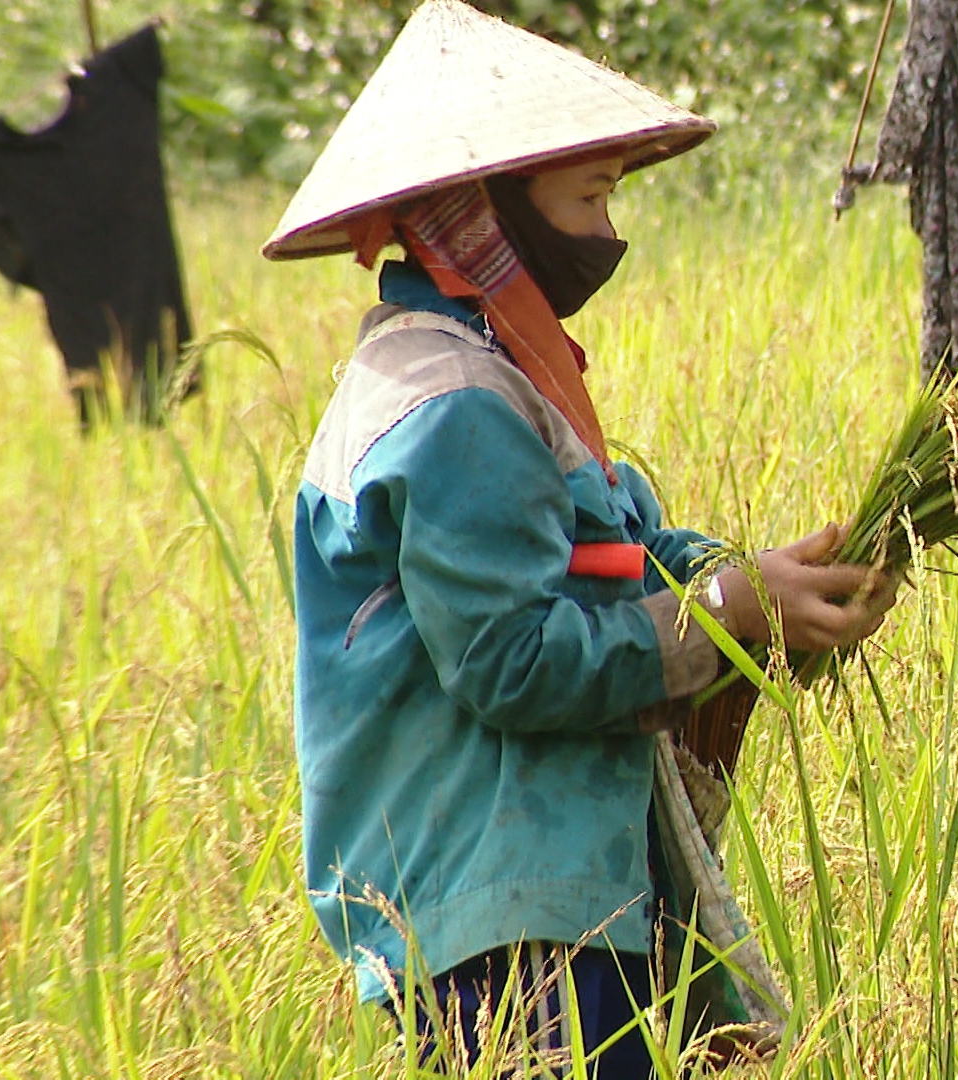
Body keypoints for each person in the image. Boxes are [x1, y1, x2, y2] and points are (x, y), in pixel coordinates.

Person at [261, 1, 899, 1073]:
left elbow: (618, 551)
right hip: (502, 914)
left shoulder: (506, 373)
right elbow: (512, 660)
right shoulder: (453, 403)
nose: (609, 234)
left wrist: (763, 589)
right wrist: (730, 615)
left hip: (560, 887)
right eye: (590, 198)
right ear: (489, 211)